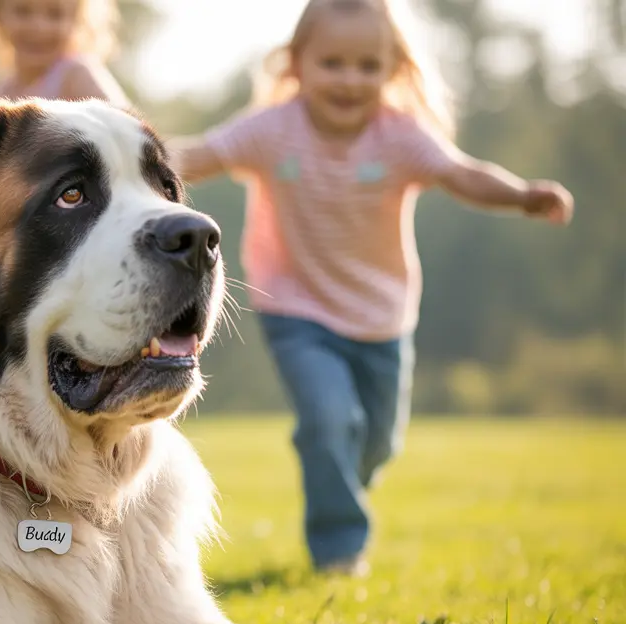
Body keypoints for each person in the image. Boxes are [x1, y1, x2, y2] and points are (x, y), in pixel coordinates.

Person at [171, 0, 574, 575]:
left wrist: (521, 195)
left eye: (367, 66)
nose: (350, 79)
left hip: (381, 314)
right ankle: (339, 548)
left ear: (392, 70)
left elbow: (461, 174)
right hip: (295, 305)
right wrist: (125, 153)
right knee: (330, 418)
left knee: (376, 442)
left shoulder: (399, 136)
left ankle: (332, 460)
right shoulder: (272, 128)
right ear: (297, 64)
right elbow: (199, 155)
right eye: (332, 63)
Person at [0, 0, 129, 107]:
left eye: (55, 14)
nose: (39, 27)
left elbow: (127, 129)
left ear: (76, 20)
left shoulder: (77, 76)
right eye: (23, 11)